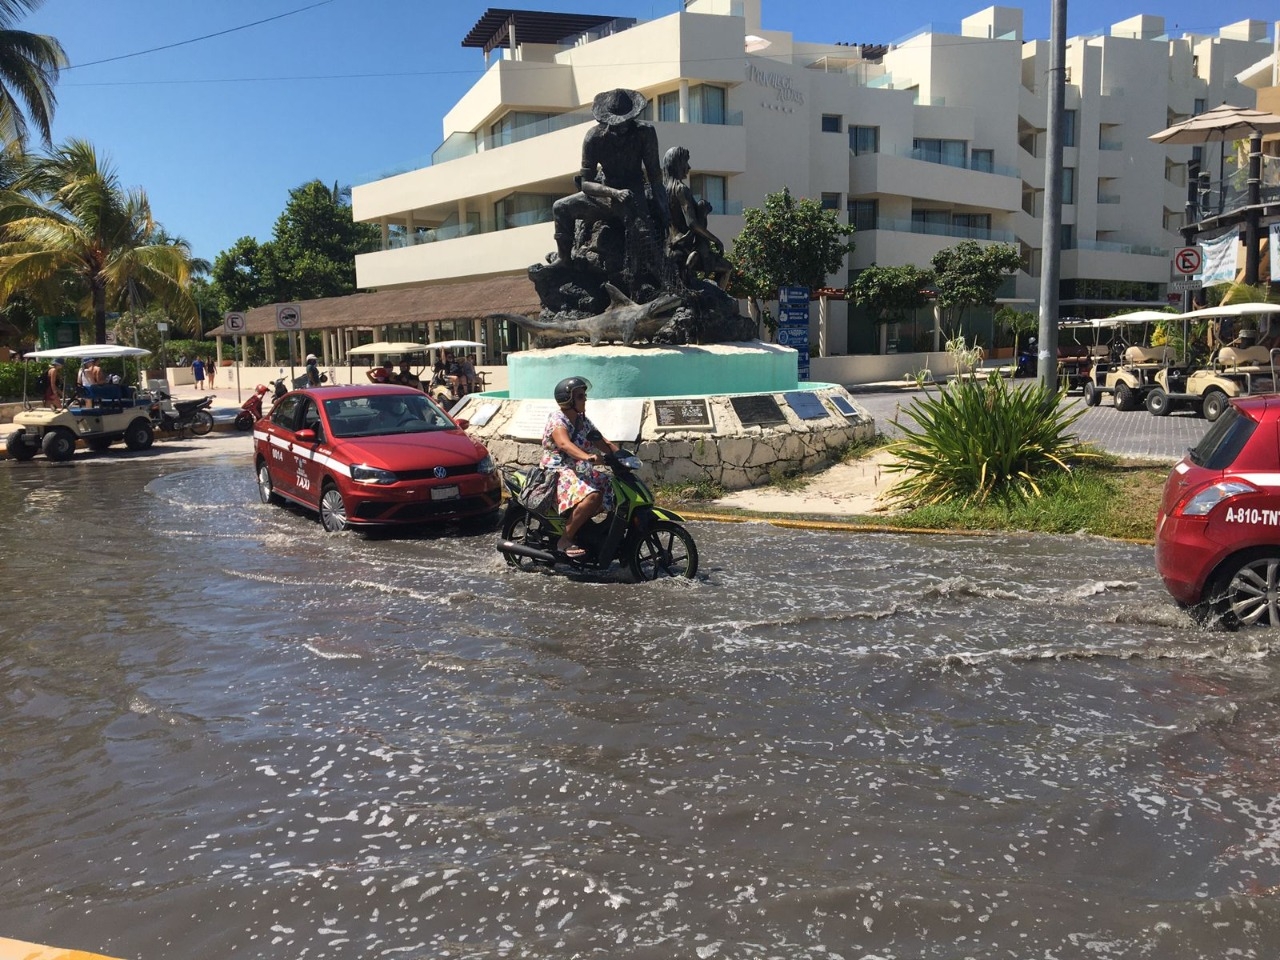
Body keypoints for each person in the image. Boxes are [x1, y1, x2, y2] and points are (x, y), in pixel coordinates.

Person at [550, 88, 669, 274]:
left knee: (643, 239)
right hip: (604, 194)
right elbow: (585, 184)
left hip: (633, 196)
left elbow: (655, 177)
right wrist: (613, 192)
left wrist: (663, 210)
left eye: (625, 121)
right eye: (616, 122)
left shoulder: (645, 133)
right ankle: (564, 259)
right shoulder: (594, 137)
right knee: (560, 207)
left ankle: (647, 275)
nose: (620, 126)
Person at [539, 376, 619, 559]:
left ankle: (583, 525)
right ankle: (565, 539)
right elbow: (564, 444)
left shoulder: (582, 420)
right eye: (581, 396)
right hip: (557, 471)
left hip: (578, 469)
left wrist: (622, 456)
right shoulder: (558, 420)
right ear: (568, 400)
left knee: (612, 487)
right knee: (593, 496)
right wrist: (588, 457)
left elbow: (601, 440)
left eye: (584, 395)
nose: (585, 399)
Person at [662, 145, 732, 290]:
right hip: (686, 246)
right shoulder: (680, 189)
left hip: (668, 245)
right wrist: (715, 240)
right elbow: (692, 223)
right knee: (727, 267)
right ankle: (718, 298)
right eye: (685, 163)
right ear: (677, 164)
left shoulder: (663, 190)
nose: (688, 167)